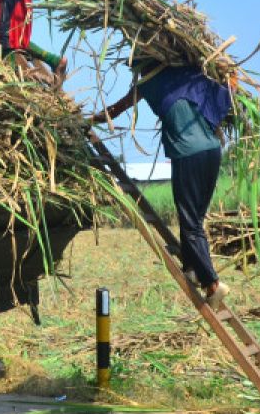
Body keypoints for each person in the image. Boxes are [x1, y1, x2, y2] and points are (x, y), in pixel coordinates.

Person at [92, 61, 232, 310]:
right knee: (195, 218)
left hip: (187, 155)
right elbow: (228, 82)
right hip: (212, 149)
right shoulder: (188, 71)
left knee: (190, 223)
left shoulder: (146, 85)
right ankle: (191, 268)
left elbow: (113, 111)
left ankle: (212, 283)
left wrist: (90, 120)